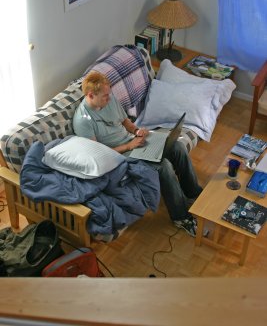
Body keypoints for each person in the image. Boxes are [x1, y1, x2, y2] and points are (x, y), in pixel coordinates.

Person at [73, 71, 206, 237]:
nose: (109, 99)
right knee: (163, 166)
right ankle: (180, 217)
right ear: (91, 95)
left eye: (109, 95)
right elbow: (97, 155)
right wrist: (129, 146)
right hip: (118, 157)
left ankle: (193, 193)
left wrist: (137, 131)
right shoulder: (83, 120)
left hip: (132, 142)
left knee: (177, 146)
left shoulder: (109, 100)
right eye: (105, 96)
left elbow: (125, 122)